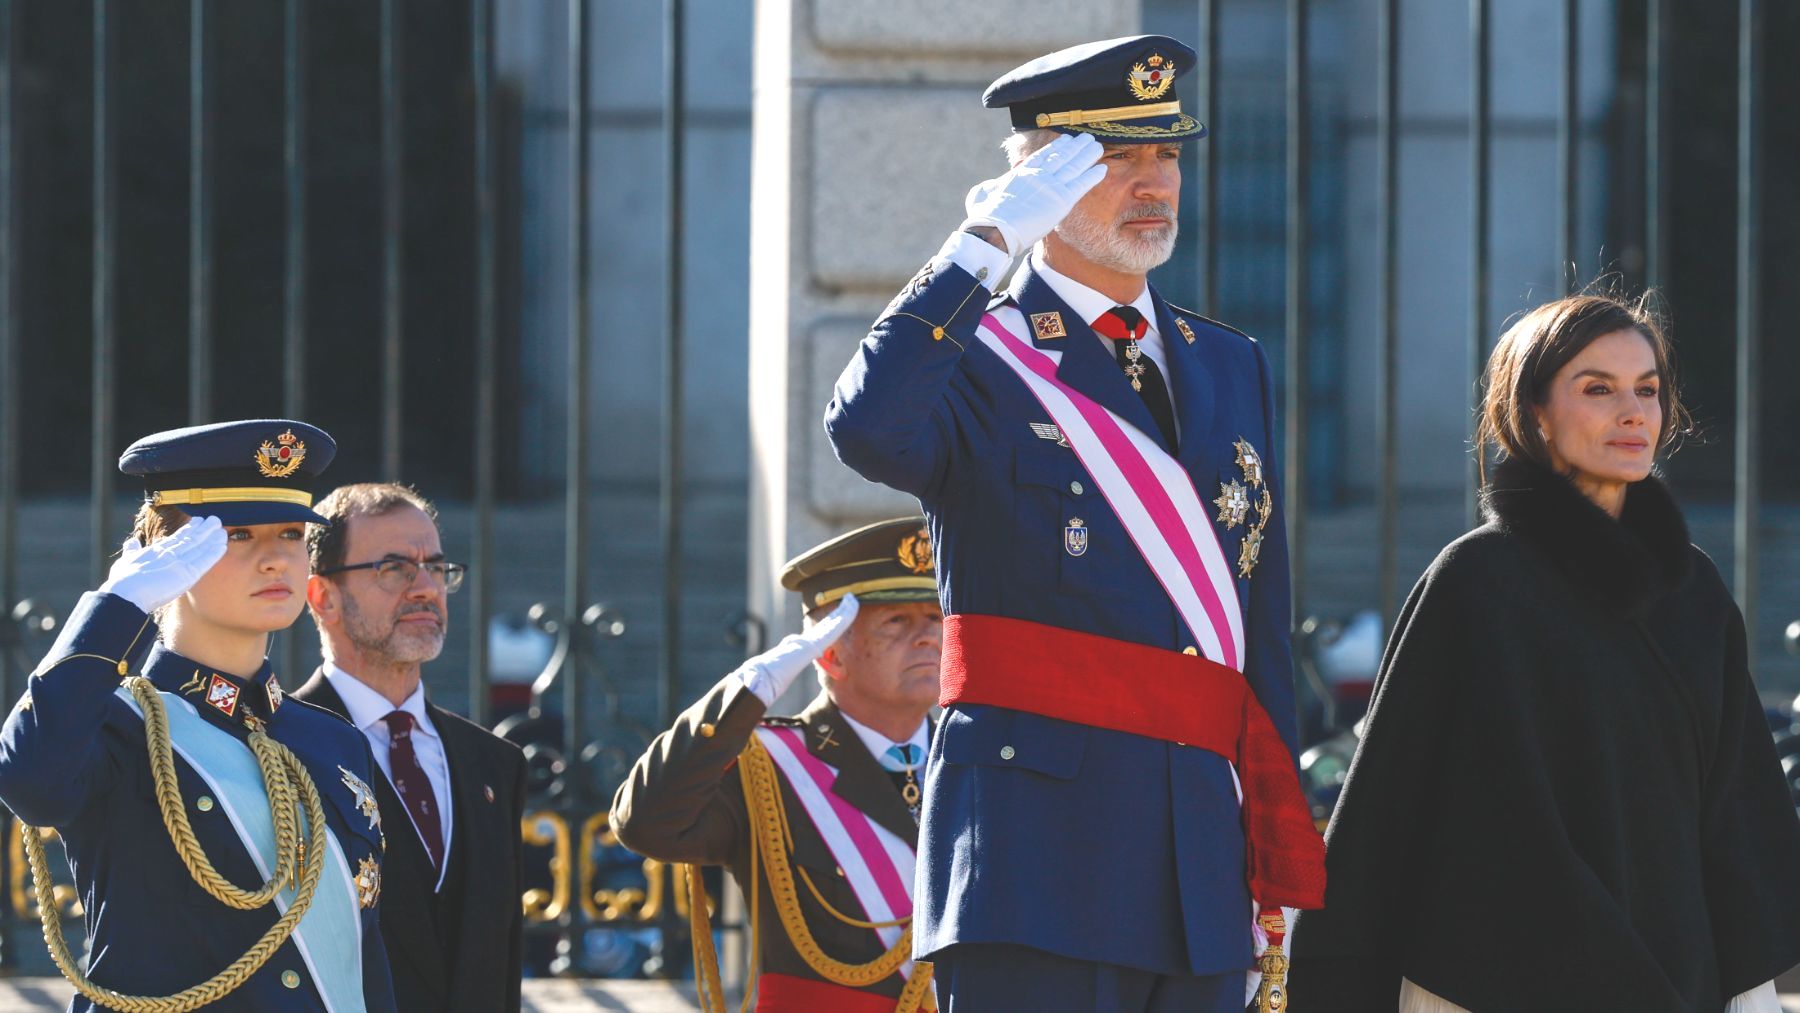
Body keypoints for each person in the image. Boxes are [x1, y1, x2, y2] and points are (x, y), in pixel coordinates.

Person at [824, 34, 1324, 1012]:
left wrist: (1273, 831)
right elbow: (867, 429)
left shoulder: (1227, 362)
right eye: (1111, 158)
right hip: (1036, 859)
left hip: (1201, 861)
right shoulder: (975, 355)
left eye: (1167, 153)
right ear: (1036, 182)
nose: (1152, 183)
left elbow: (1254, 609)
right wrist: (979, 249)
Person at [1286, 293, 1800, 1011]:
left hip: (1682, 976)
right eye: (1598, 388)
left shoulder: (1694, 591)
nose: (1633, 412)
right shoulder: (1476, 582)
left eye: (1647, 389)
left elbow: (1736, 816)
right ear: (1534, 415)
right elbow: (1419, 811)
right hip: (1500, 983)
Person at [0, 419, 396, 1012]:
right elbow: (28, 779)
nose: (275, 559)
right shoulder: (113, 725)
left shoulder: (331, 741)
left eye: (290, 532)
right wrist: (117, 606)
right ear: (168, 553)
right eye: (238, 534)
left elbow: (363, 963)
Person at [611, 517, 943, 1012]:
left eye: (936, 617)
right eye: (896, 621)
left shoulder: (980, 764)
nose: (927, 638)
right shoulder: (768, 767)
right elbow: (648, 825)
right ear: (830, 653)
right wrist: (751, 689)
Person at [292, 482, 527, 1013]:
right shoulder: (274, 747)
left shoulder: (495, 763)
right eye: (395, 568)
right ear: (323, 596)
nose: (426, 587)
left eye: (437, 568)